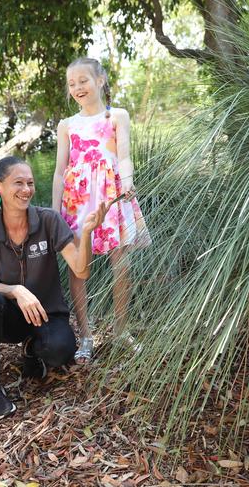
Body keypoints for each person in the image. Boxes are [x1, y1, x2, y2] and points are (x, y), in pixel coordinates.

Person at [0, 156, 107, 420]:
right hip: (11, 316)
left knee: (61, 353)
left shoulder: (49, 220)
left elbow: (81, 270)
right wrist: (18, 291)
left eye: (30, 183)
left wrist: (87, 233)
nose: (26, 189)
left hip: (47, 314)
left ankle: (33, 349)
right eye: (18, 183)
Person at [53, 57, 151, 364]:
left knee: (119, 261)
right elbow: (59, 171)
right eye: (72, 83)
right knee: (78, 266)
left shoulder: (116, 116)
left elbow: (123, 156)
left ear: (100, 80)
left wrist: (127, 181)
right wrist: (55, 211)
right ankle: (85, 334)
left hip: (110, 194)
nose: (78, 87)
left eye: (83, 80)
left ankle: (122, 329)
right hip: (77, 198)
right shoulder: (67, 125)